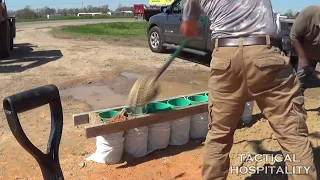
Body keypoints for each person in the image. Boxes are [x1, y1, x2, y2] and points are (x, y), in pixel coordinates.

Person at [180, 1, 317, 180]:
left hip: (225, 58)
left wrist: (198, 21)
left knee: (218, 136)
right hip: (265, 54)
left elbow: (188, 31)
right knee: (293, 134)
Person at [290, 6, 320, 95]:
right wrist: (303, 58)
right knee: (300, 81)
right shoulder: (308, 15)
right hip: (307, 53)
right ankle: (296, 105)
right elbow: (294, 37)